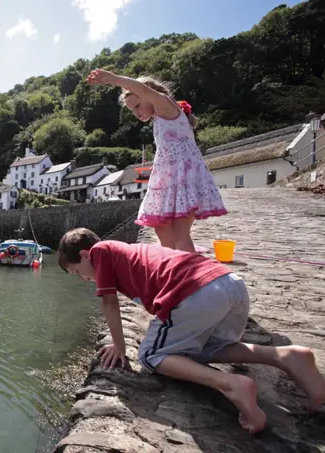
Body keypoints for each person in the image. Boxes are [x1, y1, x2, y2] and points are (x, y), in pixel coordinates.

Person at [57, 227, 325, 433]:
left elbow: (108, 302)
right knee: (198, 350)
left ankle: (231, 384)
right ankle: (284, 357)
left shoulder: (100, 251)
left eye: (77, 271)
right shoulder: (126, 253)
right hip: (228, 284)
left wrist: (119, 346)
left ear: (84, 255)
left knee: (150, 356)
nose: (83, 278)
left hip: (197, 293)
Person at [86, 69, 227, 253]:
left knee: (179, 232)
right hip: (170, 178)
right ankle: (170, 267)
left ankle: (188, 274)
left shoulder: (166, 106)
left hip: (183, 177)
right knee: (162, 229)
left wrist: (114, 79)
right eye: (131, 110)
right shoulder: (159, 117)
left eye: (136, 106)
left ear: (150, 95)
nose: (135, 113)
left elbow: (142, 89)